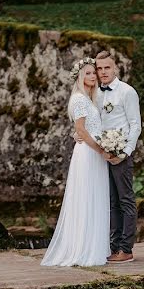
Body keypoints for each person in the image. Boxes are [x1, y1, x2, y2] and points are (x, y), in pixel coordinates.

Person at [41, 57, 110, 267]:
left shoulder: (90, 99)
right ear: (80, 77)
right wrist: (100, 149)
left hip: (93, 152)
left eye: (93, 73)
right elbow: (81, 129)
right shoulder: (79, 99)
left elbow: (83, 128)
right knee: (86, 197)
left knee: (95, 197)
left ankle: (94, 244)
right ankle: (82, 248)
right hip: (89, 153)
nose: (92, 76)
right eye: (87, 73)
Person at [94, 50, 142, 264]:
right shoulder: (96, 93)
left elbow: (135, 125)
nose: (103, 72)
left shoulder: (127, 92)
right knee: (111, 202)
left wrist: (125, 152)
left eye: (107, 67)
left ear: (115, 68)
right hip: (102, 154)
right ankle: (114, 247)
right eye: (99, 68)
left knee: (125, 200)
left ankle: (126, 248)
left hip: (122, 153)